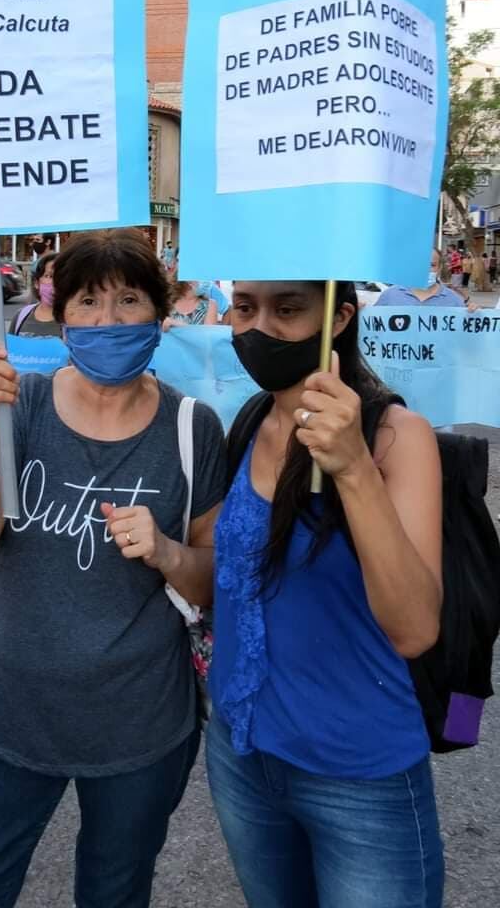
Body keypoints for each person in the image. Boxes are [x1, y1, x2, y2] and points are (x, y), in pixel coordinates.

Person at [0, 229, 226, 908]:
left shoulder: (192, 429)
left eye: (129, 300)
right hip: (13, 714)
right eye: (89, 301)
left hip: (141, 727)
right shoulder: (20, 407)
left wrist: (167, 551)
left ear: (161, 312)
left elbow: (211, 580)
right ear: (61, 315)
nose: (108, 319)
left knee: (116, 892)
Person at [206, 279, 444, 908]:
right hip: (242, 753)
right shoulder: (252, 417)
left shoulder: (397, 434)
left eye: (287, 310)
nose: (260, 328)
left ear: (339, 316)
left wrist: (353, 468)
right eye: (245, 308)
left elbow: (416, 627)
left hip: (358, 773)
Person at [375, 247, 466, 308]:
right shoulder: (390, 296)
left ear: (439, 268)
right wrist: (361, 312)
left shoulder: (454, 300)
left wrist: (475, 314)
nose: (425, 270)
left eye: (431, 265)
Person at [8, 251, 62, 337]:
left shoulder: (75, 320)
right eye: (49, 276)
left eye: (60, 276)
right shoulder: (21, 316)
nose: (55, 282)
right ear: (37, 283)